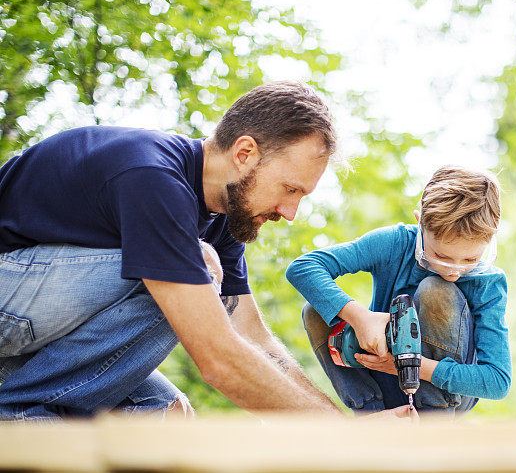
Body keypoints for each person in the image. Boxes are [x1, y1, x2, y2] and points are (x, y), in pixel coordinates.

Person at [0, 81, 411, 421]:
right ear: (244, 153)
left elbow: (250, 336)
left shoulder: (224, 214)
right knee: (198, 264)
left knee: (164, 414)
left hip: (35, 319)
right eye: (290, 189)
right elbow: (218, 357)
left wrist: (341, 422)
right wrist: (341, 441)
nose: (290, 212)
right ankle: (15, 414)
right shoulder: (152, 177)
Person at [286, 166, 511, 416]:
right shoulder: (395, 244)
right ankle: (371, 415)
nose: (454, 271)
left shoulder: (488, 283)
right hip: (380, 377)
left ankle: (432, 420)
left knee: (437, 289)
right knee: (316, 310)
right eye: (440, 256)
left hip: (444, 392)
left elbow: (497, 381)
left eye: (470, 260)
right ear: (420, 223)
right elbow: (303, 267)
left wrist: (410, 366)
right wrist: (360, 318)